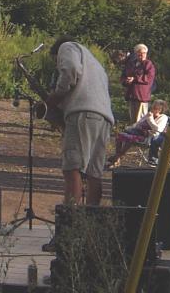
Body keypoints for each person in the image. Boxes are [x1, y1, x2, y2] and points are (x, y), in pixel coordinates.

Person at [42, 37, 114, 252]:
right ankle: (90, 229)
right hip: (104, 117)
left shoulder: (68, 47)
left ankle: (67, 232)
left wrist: (54, 98)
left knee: (72, 169)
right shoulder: (95, 62)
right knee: (94, 173)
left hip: (83, 114)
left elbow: (71, 70)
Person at [107, 99, 168, 168]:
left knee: (130, 138)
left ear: (161, 110)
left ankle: (116, 158)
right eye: (153, 107)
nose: (154, 110)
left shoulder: (163, 117)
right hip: (138, 133)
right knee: (120, 136)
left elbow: (158, 129)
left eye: (157, 109)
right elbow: (138, 124)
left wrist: (150, 119)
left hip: (147, 138)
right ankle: (117, 157)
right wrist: (131, 127)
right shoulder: (149, 114)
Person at [121, 43, 156, 124]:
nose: (142, 55)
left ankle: (140, 136)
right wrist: (125, 81)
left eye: (144, 53)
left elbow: (149, 78)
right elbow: (123, 75)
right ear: (136, 53)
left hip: (141, 97)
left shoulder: (149, 64)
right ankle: (132, 136)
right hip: (131, 95)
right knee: (133, 121)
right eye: (140, 53)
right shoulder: (131, 64)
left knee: (140, 121)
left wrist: (135, 79)